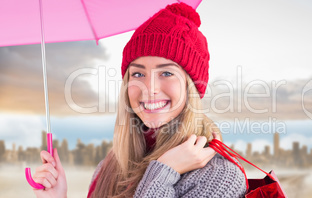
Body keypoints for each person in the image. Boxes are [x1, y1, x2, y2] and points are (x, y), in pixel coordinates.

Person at [32, 3, 247, 198]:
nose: (149, 88)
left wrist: (163, 172)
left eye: (166, 73)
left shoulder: (220, 176)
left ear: (192, 86)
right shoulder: (109, 167)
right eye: (137, 74)